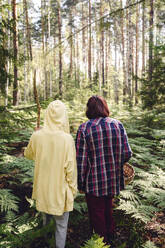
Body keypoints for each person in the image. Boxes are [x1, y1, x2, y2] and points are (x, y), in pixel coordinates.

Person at [76, 95, 132, 245]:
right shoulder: (117, 125)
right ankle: (111, 234)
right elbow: (127, 153)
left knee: (97, 213)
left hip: (93, 181)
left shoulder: (84, 128)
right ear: (105, 107)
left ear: (89, 110)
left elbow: (80, 161)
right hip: (113, 179)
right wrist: (115, 163)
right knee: (108, 208)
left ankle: (102, 242)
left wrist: (80, 183)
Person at [24, 100, 77, 248]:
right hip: (60, 192)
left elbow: (28, 154)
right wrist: (72, 191)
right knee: (61, 227)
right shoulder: (67, 139)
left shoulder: (37, 136)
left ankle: (45, 243)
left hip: (42, 191)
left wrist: (35, 135)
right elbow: (71, 169)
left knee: (45, 224)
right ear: (64, 116)